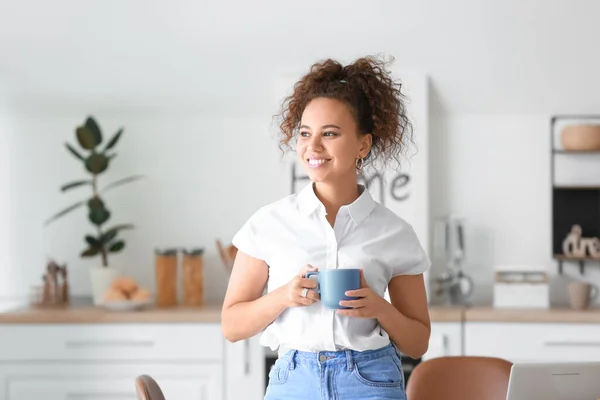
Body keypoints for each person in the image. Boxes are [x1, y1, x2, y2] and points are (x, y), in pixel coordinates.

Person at [221, 55, 431, 400]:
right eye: (305, 133)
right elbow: (231, 326)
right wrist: (283, 297)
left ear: (363, 144)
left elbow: (417, 341)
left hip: (371, 380)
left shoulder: (395, 232)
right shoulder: (269, 223)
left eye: (329, 134)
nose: (312, 147)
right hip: (294, 380)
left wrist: (379, 308)